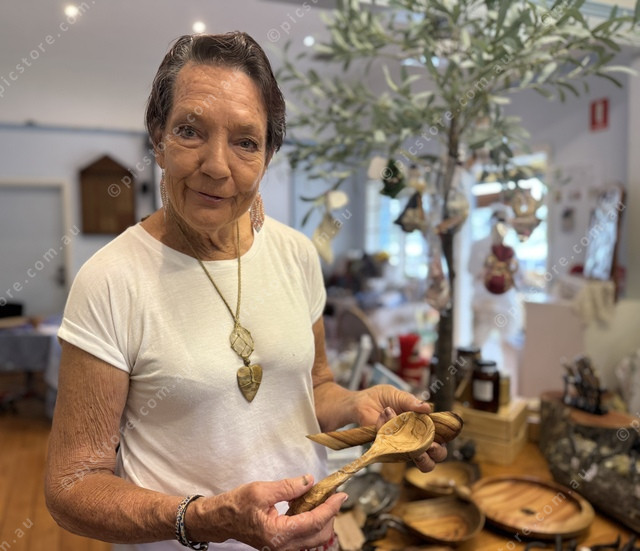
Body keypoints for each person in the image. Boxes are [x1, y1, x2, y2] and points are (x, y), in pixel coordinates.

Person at [45, 32, 447, 551]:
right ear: (158, 139)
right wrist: (206, 519)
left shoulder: (296, 254)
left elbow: (314, 387)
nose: (216, 165)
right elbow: (72, 485)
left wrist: (355, 405)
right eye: (190, 131)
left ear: (269, 154)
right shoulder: (111, 279)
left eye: (245, 142)